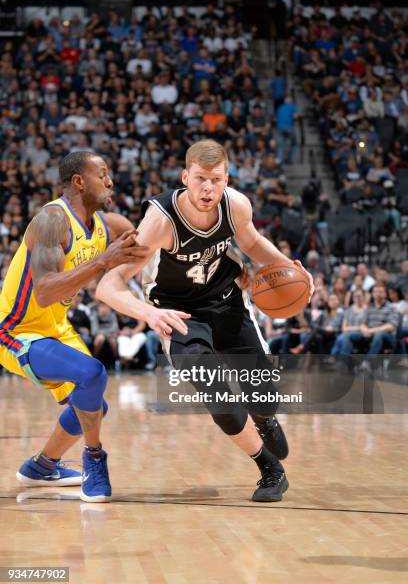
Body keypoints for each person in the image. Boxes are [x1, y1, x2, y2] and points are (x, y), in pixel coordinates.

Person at [96, 139, 314, 503]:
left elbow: (253, 242)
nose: (208, 188)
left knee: (263, 395)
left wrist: (289, 269)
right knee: (214, 390)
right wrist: (149, 313)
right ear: (185, 177)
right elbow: (108, 285)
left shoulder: (236, 206)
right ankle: (269, 468)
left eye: (216, 179)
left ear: (227, 179)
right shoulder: (160, 221)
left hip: (226, 302)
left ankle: (264, 417)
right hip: (178, 312)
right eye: (200, 179)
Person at [0, 151, 148, 502]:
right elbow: (46, 290)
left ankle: (43, 466)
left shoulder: (108, 225)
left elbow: (148, 243)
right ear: (79, 181)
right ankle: (94, 459)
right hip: (14, 330)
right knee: (93, 374)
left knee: (93, 407)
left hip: (55, 327)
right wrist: (102, 262)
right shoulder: (51, 220)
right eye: (103, 174)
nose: (111, 181)